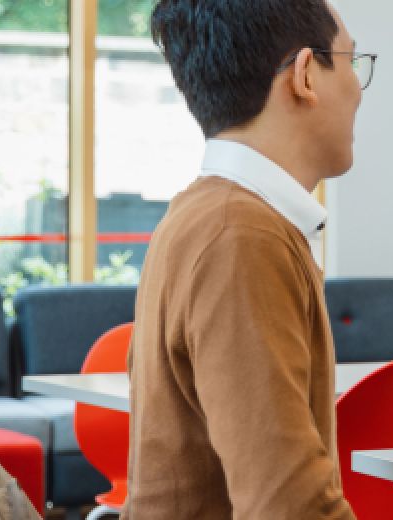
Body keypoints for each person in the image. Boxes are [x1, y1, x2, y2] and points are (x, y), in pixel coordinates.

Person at [128, 0, 372, 517]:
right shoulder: (240, 234)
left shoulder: (209, 213)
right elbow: (287, 504)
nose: (357, 90)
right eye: (353, 62)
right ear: (306, 74)